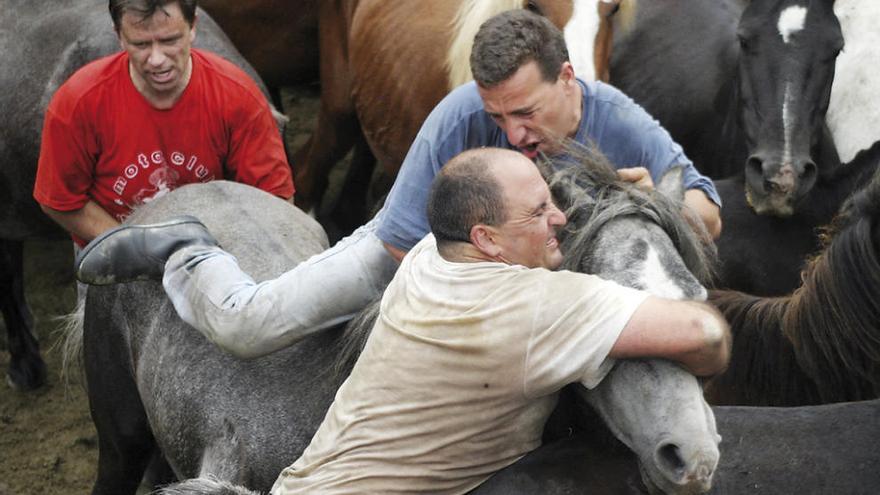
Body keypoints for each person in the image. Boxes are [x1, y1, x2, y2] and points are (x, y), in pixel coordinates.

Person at [75, 9, 721, 359]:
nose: (514, 133)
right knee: (254, 329)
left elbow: (706, 206)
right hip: (412, 255)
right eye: (499, 117)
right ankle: (190, 250)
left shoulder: (617, 116)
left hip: (531, 277)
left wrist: (659, 206)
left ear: (570, 81)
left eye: (527, 113)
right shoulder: (459, 116)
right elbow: (406, 256)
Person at [267, 147, 730, 493]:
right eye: (537, 212)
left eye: (550, 200)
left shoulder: (431, 256)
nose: (561, 218)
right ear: (486, 239)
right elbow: (703, 334)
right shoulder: (530, 308)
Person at [33, 0, 294, 248]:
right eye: (141, 44)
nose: (157, 59)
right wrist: (135, 246)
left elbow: (275, 200)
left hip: (217, 249)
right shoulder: (78, 102)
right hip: (114, 248)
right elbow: (60, 201)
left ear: (193, 27)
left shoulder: (238, 97)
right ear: (119, 36)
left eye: (170, 40)